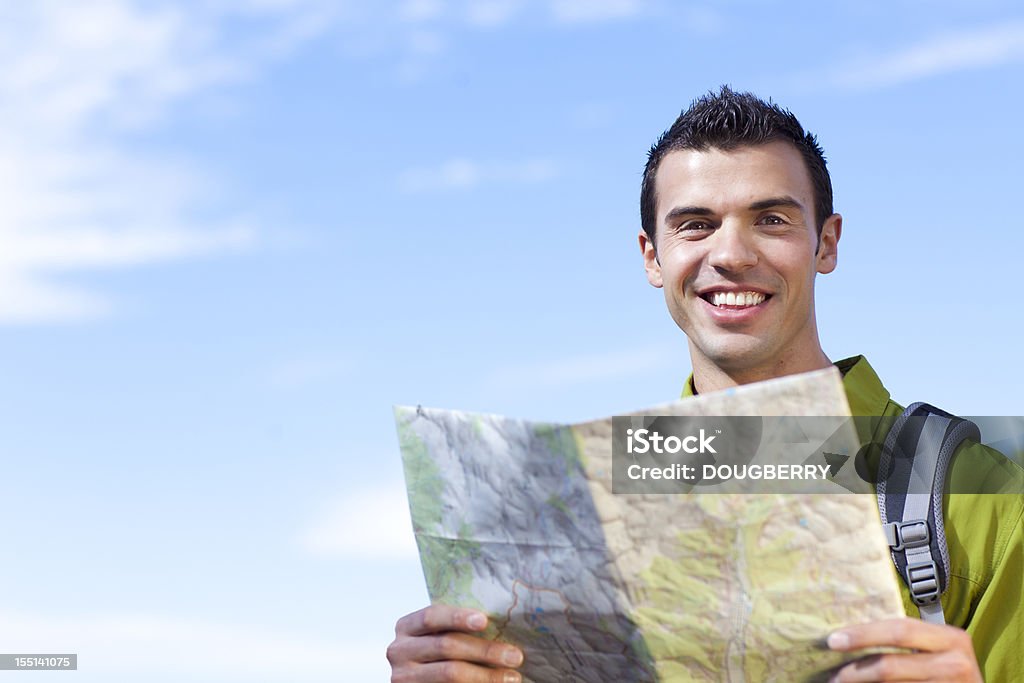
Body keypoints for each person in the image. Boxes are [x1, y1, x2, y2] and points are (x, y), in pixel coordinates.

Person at [387, 87, 1023, 682]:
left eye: (771, 219)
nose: (732, 254)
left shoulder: (977, 491)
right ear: (652, 257)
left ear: (825, 243)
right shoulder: (588, 505)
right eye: (695, 224)